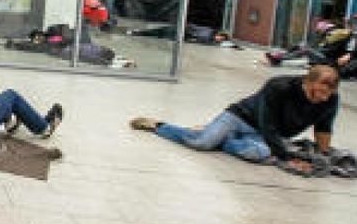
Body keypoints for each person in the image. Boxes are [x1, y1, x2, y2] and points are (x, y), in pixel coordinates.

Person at [130, 65, 340, 170]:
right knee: (202, 142)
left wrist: (323, 155)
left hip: (266, 135)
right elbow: (267, 122)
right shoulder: (279, 86)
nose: (321, 98)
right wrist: (286, 157)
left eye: (326, 94)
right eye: (317, 92)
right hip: (241, 117)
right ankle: (159, 126)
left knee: (259, 154)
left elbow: (324, 127)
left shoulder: (330, 100)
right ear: (307, 81)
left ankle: (223, 140)